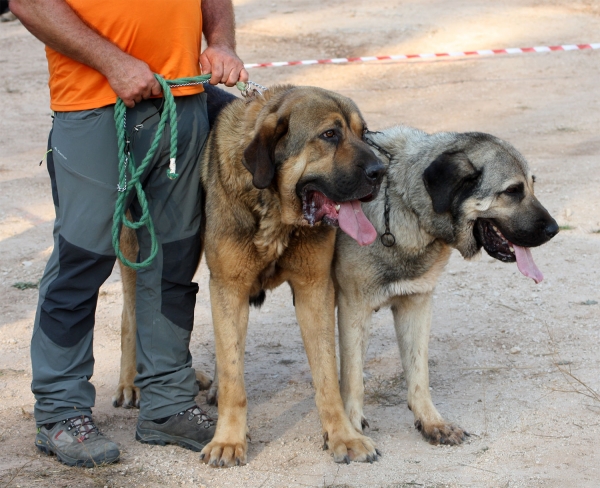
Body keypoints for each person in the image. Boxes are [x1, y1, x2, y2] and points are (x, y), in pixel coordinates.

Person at [10, 0, 248, 467]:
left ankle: (167, 403)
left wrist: (221, 41)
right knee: (83, 259)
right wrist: (111, 61)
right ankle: (61, 410)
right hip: (95, 107)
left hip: (183, 103)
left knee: (175, 259)